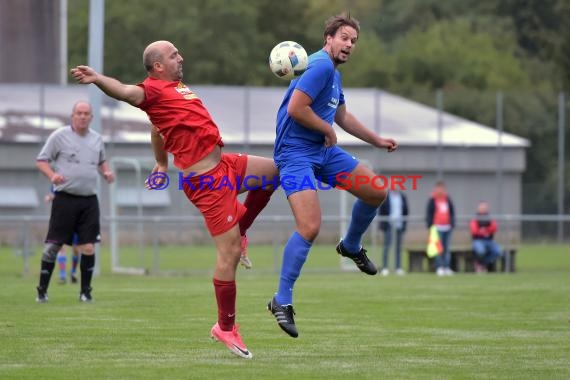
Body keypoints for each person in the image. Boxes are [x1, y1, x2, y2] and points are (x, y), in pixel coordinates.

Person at [71, 40, 278, 359]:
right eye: (173, 55)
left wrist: (162, 163)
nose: (180, 57)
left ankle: (243, 227)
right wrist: (98, 78)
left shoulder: (177, 89)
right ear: (157, 66)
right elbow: (124, 91)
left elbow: (157, 130)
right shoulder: (150, 90)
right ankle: (225, 327)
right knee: (229, 252)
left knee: (274, 173)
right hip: (208, 182)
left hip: (226, 166)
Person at [266, 14, 398, 338]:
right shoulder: (321, 65)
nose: (349, 45)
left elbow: (341, 115)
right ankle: (281, 300)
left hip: (321, 151)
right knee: (310, 226)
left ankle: (351, 245)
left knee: (376, 191)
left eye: (353, 41)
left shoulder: (333, 74)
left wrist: (377, 140)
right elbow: (297, 108)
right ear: (329, 38)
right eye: (344, 38)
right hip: (295, 154)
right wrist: (326, 129)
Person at [35, 101, 115, 303]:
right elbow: (41, 160)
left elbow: (100, 161)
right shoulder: (59, 136)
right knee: (54, 246)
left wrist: (105, 172)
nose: (82, 116)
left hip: (89, 200)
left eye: (86, 113)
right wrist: (52, 176)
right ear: (72, 115)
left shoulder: (97, 139)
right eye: (79, 113)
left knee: (88, 247)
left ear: (91, 117)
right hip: (65, 199)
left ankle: (85, 292)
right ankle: (42, 291)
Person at [44, 188, 81, 285]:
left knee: (76, 249)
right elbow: (53, 192)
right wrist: (49, 196)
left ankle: (73, 272)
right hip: (62, 218)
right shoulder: (58, 179)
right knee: (60, 247)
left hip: (76, 219)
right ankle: (62, 276)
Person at [426, 181, 455, 276]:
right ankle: (439, 267)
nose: (440, 190)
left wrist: (452, 224)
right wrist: (430, 226)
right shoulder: (432, 199)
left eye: (442, 188)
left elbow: (452, 212)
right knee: (438, 249)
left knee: (447, 249)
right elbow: (429, 213)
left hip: (447, 227)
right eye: (439, 188)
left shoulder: (447, 199)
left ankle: (446, 267)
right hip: (437, 227)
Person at [378, 190, 409, 276]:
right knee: (386, 247)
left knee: (398, 248)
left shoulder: (402, 196)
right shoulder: (386, 196)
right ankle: (385, 268)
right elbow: (382, 209)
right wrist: (382, 224)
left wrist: (404, 224)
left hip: (399, 225)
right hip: (388, 225)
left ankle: (398, 268)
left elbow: (406, 210)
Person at [470, 201, 502, 273]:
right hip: (478, 240)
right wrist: (486, 231)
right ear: (478, 209)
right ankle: (479, 264)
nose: (483, 209)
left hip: (489, 241)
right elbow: (474, 231)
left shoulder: (490, 219)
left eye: (484, 208)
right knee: (481, 251)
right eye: (481, 208)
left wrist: (483, 230)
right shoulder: (475, 219)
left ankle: (482, 264)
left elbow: (494, 228)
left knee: (498, 251)